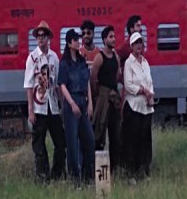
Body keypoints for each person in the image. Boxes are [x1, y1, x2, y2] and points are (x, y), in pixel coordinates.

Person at [24, 20, 66, 182]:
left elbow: (56, 84)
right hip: (38, 107)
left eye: (43, 35)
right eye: (38, 36)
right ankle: (43, 177)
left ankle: (57, 173)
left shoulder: (54, 57)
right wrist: (30, 110)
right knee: (39, 145)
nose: (40, 39)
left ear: (49, 38)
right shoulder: (32, 58)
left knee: (60, 143)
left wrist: (62, 105)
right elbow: (28, 84)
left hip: (53, 106)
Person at [57, 29, 95, 187]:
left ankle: (88, 176)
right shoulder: (64, 63)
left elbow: (87, 81)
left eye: (77, 39)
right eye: (74, 40)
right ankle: (74, 179)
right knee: (72, 142)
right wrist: (71, 103)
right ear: (68, 43)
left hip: (83, 99)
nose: (77, 42)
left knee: (89, 139)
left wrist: (90, 102)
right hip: (71, 101)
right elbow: (62, 85)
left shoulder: (81, 60)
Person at [122, 31, 155, 183]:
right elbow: (128, 85)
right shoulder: (129, 64)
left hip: (146, 107)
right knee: (132, 140)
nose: (139, 46)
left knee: (145, 140)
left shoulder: (145, 62)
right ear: (131, 46)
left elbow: (150, 81)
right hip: (133, 106)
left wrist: (151, 95)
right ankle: (132, 173)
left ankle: (145, 170)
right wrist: (144, 91)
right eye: (136, 43)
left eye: (140, 43)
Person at [91, 26, 122, 174]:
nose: (114, 39)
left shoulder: (116, 57)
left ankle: (115, 168)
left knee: (115, 135)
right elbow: (93, 78)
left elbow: (117, 75)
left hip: (114, 98)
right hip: (103, 98)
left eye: (114, 36)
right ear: (104, 40)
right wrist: (98, 96)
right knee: (99, 133)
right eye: (110, 37)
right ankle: (98, 169)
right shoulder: (99, 57)